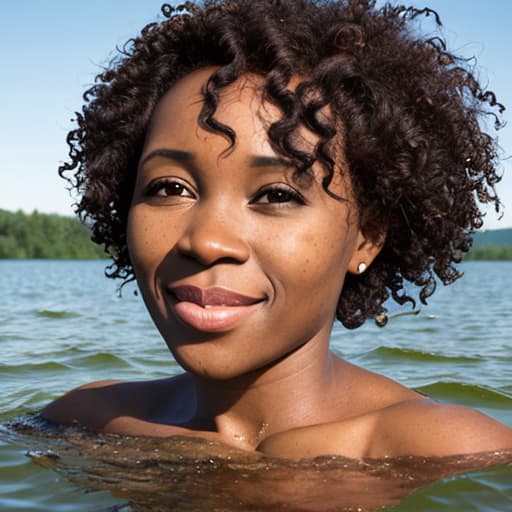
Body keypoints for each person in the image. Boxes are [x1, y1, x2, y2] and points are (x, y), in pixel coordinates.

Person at [43, 0, 512, 460]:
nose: (206, 241)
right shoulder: (80, 422)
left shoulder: (447, 452)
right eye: (169, 188)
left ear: (367, 237)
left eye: (277, 195)